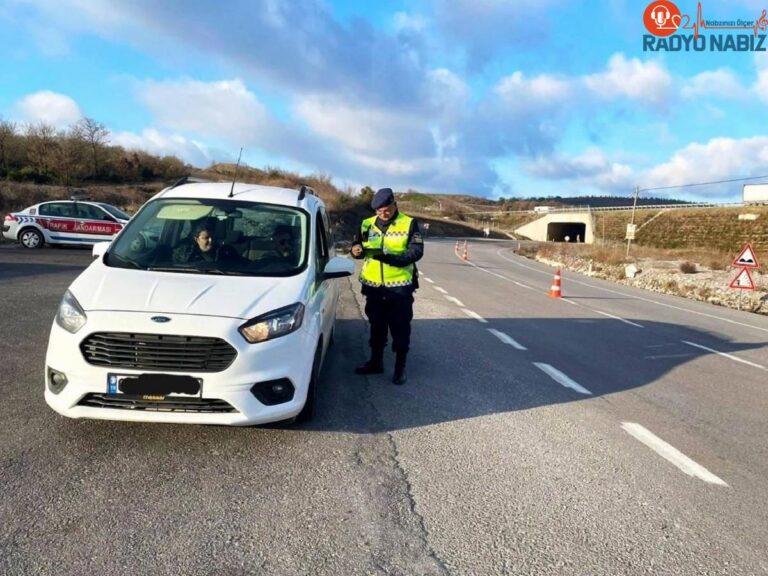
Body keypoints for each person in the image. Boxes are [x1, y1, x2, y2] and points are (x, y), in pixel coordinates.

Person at [350, 187, 424, 385]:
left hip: (399, 288)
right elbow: (357, 245)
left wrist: (391, 258)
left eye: (386, 209)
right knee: (377, 327)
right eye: (379, 211)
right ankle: (376, 362)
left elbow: (416, 252)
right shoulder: (366, 224)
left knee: (400, 328)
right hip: (374, 287)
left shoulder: (408, 223)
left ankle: (400, 368)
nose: (383, 213)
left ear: (394, 204)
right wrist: (355, 250)